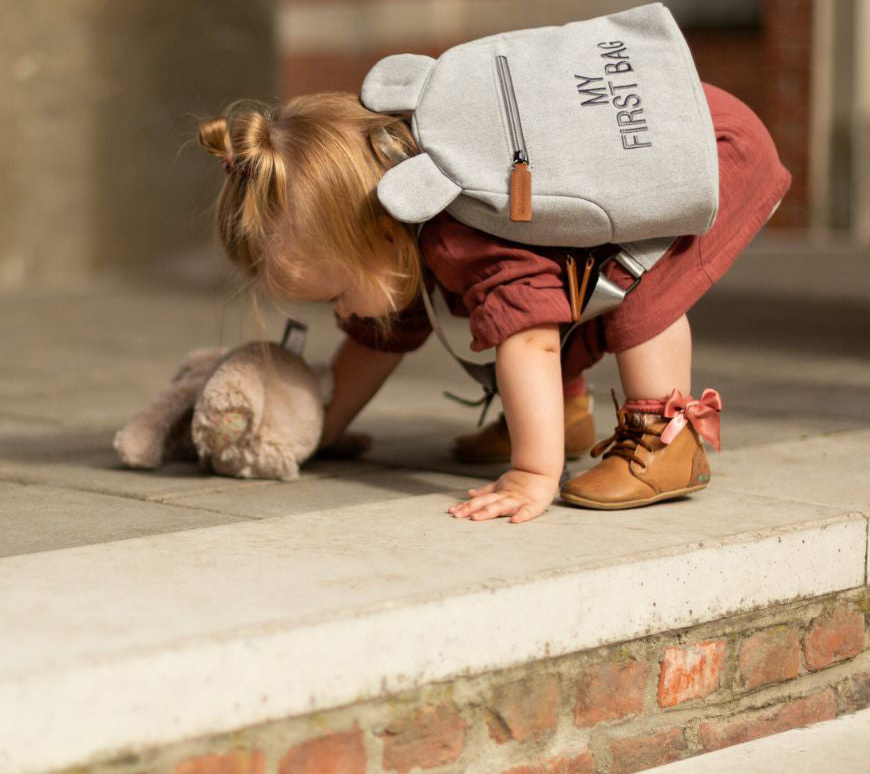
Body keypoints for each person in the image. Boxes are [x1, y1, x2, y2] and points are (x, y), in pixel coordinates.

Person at [197, 82, 791, 524]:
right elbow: (378, 341)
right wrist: (314, 430)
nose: (344, 314)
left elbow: (530, 335)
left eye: (336, 294)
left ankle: (668, 442)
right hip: (658, 136)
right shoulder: (402, 219)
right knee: (570, 287)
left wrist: (533, 474)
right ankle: (566, 415)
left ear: (379, 239)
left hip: (703, 149)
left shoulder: (464, 233)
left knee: (636, 293)